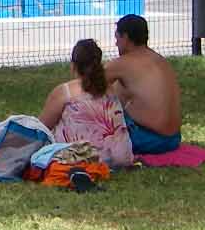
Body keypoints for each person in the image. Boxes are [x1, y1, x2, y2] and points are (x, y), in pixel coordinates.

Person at [37, 39, 133, 168]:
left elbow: (41, 128)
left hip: (80, 159)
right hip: (120, 159)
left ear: (73, 66)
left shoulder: (65, 92)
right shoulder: (112, 90)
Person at [105, 14, 183, 155]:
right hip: (173, 139)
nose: (116, 44)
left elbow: (86, 88)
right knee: (118, 87)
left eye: (117, 38)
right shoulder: (160, 60)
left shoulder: (122, 63)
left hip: (147, 140)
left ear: (126, 38)